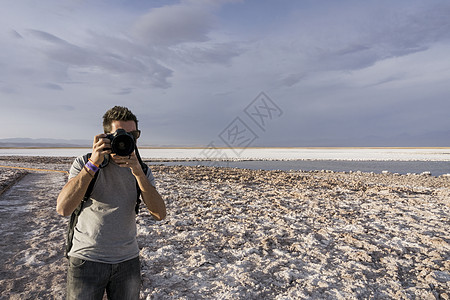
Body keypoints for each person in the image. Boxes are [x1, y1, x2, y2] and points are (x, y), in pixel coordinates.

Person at [57, 106, 166, 300]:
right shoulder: (84, 163)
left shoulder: (141, 170)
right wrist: (93, 164)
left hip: (127, 262)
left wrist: (139, 174)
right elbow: (63, 208)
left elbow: (159, 214)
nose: (127, 139)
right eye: (121, 135)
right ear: (105, 137)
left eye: (133, 135)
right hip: (86, 260)